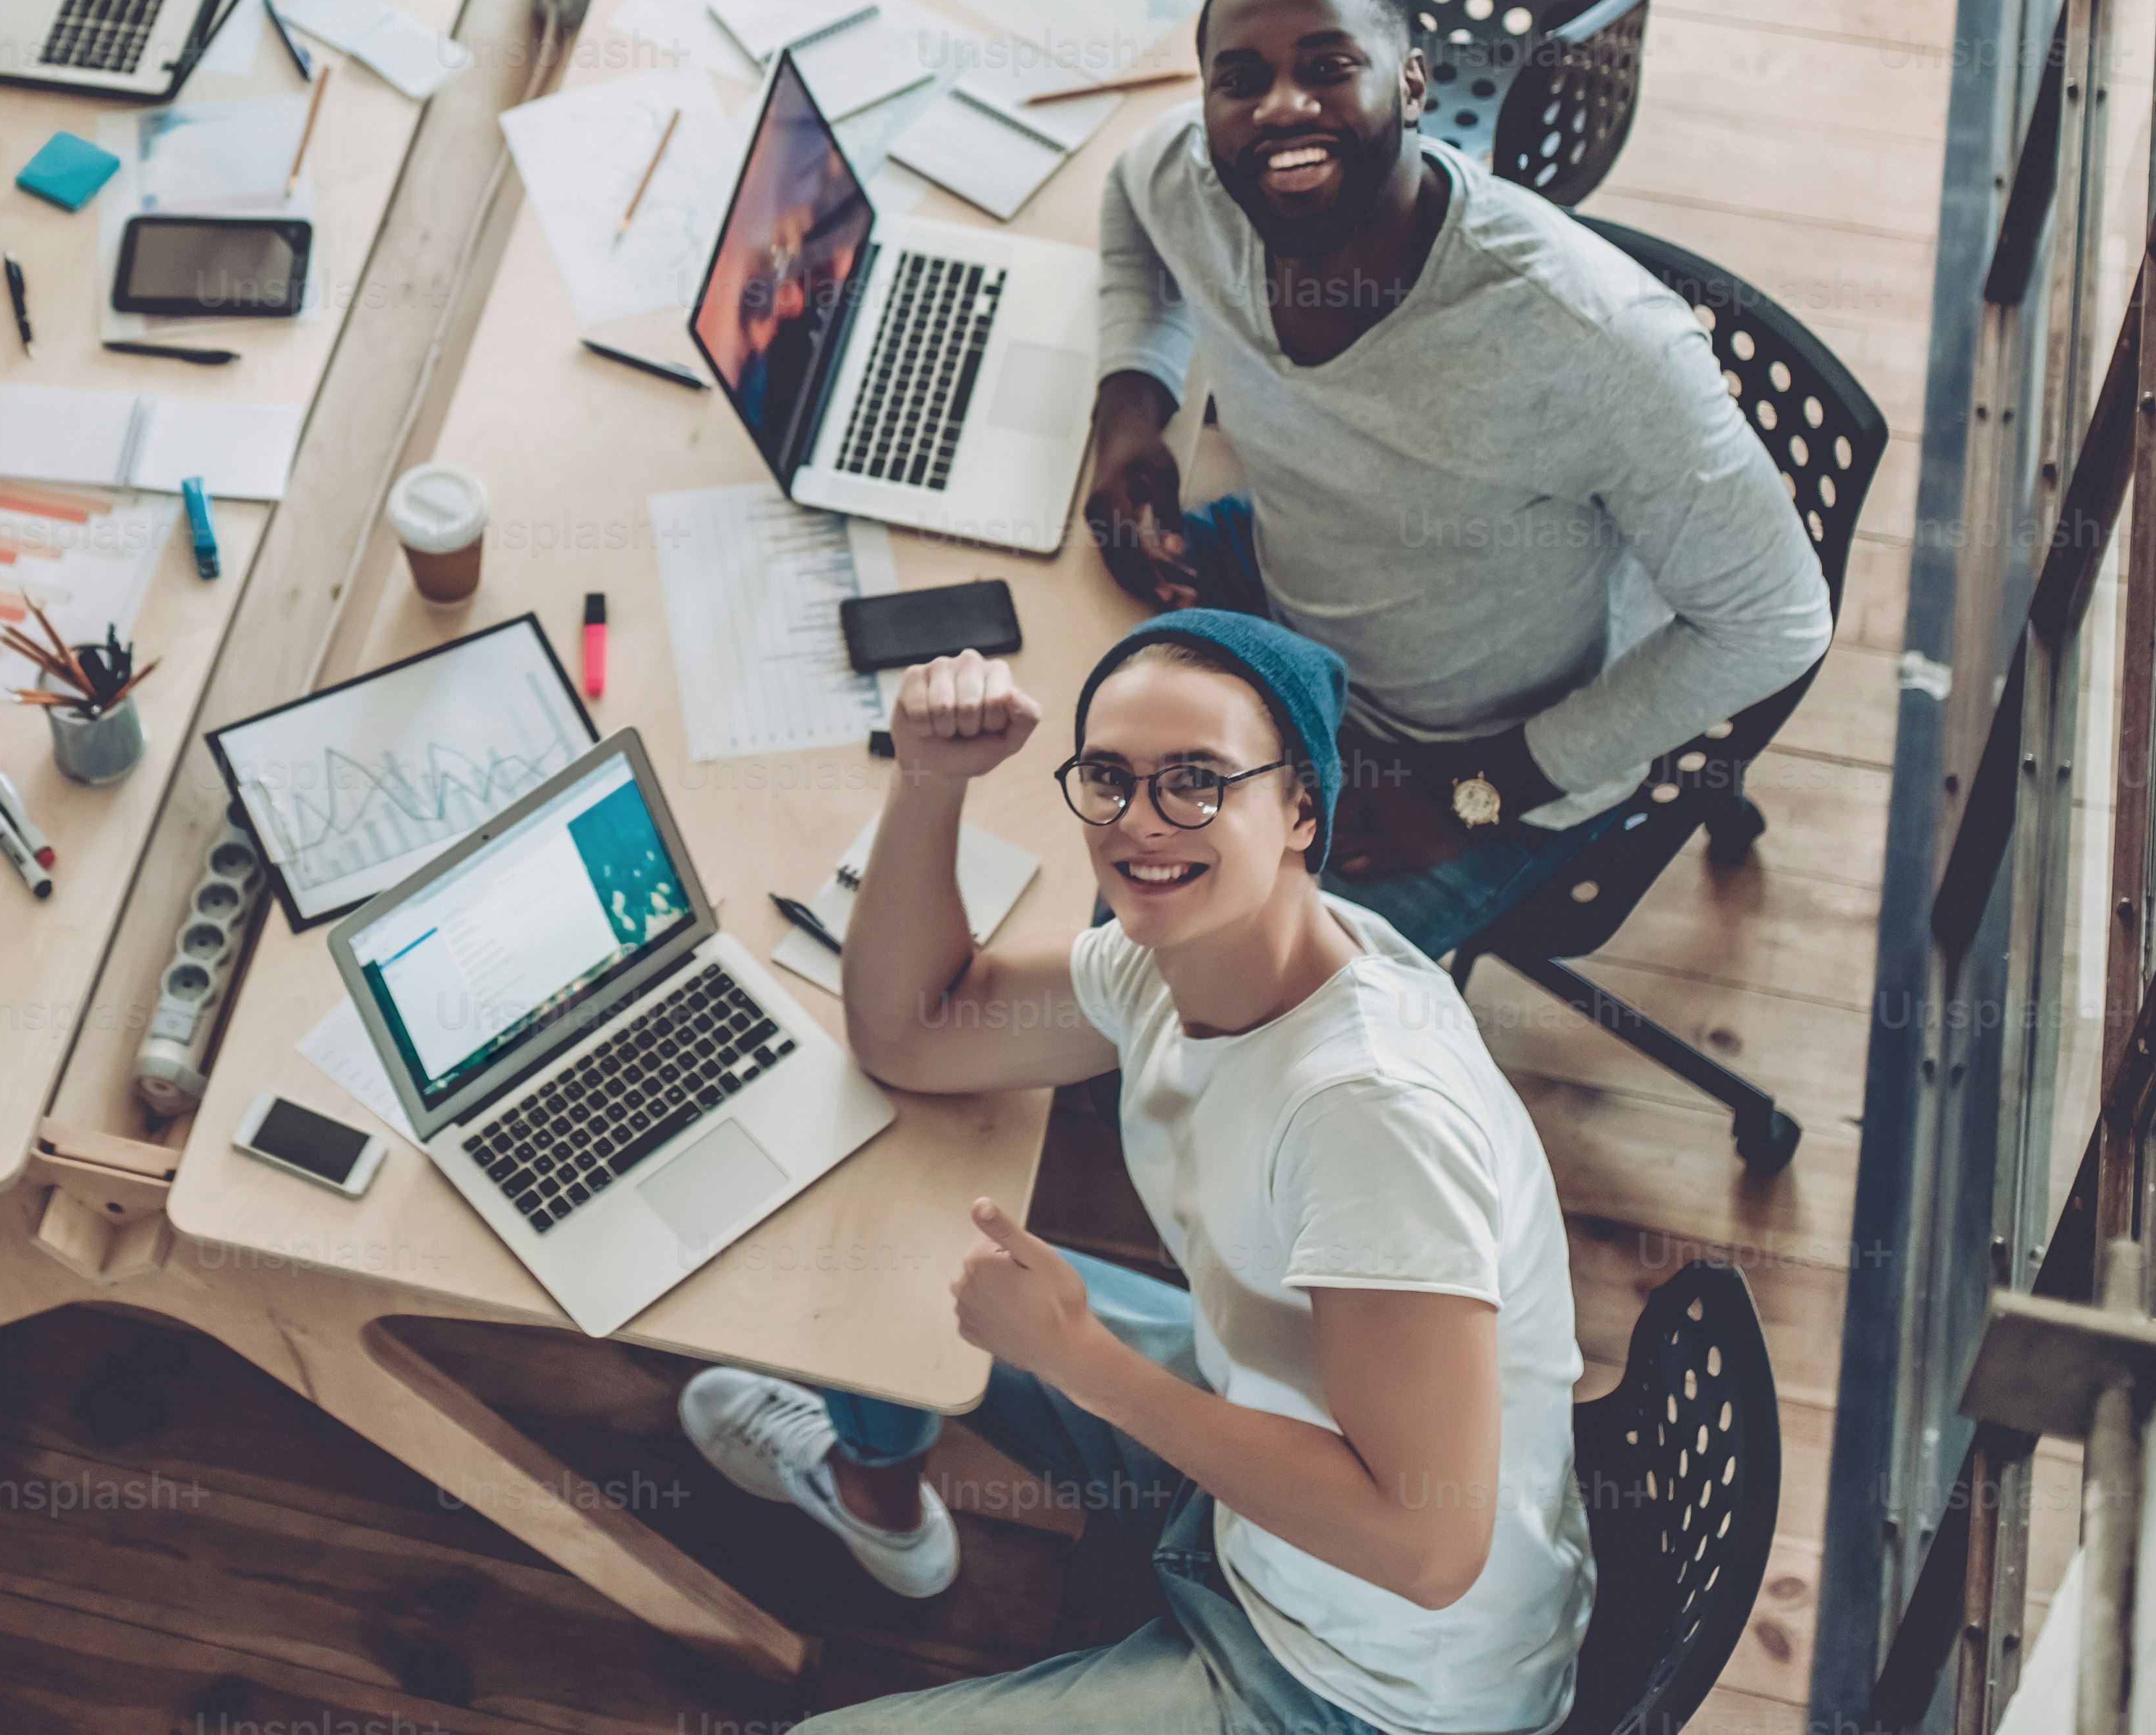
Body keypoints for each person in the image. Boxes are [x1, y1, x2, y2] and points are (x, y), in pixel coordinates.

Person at [678, 616, 1595, 1735]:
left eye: (1198, 783)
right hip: (1251, 1472)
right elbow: (912, 1032)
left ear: (1303, 809)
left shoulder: (1370, 1115)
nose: (1141, 823)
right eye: (1109, 779)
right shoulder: (1192, 952)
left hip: (1372, 1680)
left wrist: (1082, 1362)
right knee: (881, 1251)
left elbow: (1428, 1548)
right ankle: (874, 1491)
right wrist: (926, 782)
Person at [1083, 0, 1830, 954]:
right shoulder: (1196, 182)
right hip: (1295, 597)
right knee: (1048, 789)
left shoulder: (1593, 340)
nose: (1283, 109)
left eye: (1328, 66)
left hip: (1467, 758)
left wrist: (1476, 794)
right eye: (1241, 81)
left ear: (1414, 82)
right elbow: (1130, 201)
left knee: (1193, 987)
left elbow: (1775, 622)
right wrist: (1132, 406)